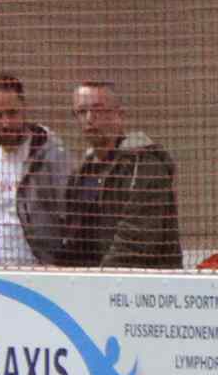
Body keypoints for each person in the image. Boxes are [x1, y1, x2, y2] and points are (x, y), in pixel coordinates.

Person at [59, 80, 183, 269]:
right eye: (82, 112)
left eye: (99, 110)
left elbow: (136, 240)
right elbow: (74, 238)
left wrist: (99, 278)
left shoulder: (144, 166)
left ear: (119, 115)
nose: (89, 118)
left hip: (142, 280)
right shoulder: (81, 173)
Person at [0, 74, 71, 266]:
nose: (5, 123)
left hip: (46, 272)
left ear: (24, 110)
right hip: (1, 274)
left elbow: (70, 217)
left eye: (12, 113)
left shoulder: (50, 157)